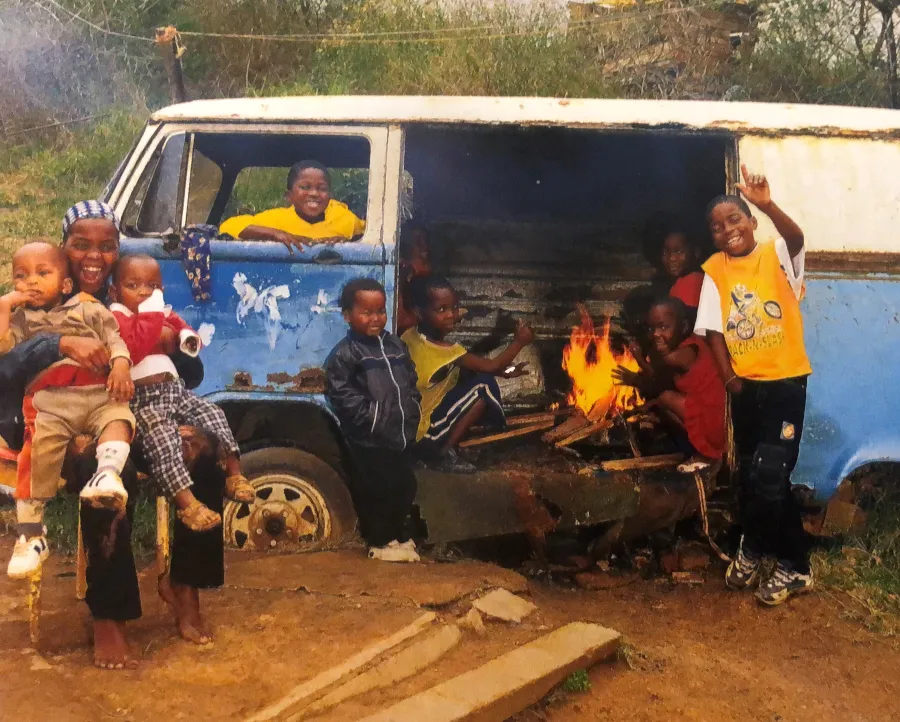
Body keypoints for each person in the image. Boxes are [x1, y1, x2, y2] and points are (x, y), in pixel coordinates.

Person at [0, 201, 225, 668]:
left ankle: (185, 587)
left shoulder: (134, 287)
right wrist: (59, 344)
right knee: (99, 471)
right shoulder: (37, 291)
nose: (94, 257)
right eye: (81, 244)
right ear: (64, 250)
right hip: (59, 427)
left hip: (137, 414)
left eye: (107, 246)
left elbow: (193, 369)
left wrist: (172, 348)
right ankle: (109, 615)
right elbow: (5, 368)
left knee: (201, 451)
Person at [695, 164, 813, 606]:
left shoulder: (777, 254)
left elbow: (797, 238)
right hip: (747, 389)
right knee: (748, 473)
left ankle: (795, 565)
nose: (727, 229)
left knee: (771, 475)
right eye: (717, 225)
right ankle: (754, 544)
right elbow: (712, 331)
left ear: (751, 222)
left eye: (735, 219)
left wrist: (768, 203)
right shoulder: (715, 271)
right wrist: (729, 379)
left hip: (785, 384)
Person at [1, 242, 135, 579]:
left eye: (43, 273)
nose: (31, 281)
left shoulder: (87, 309)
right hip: (51, 401)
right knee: (38, 451)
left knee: (118, 418)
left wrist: (120, 366)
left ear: (65, 284)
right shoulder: (21, 320)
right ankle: (31, 536)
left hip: (98, 391)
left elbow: (114, 339)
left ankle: (107, 474)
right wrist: (5, 304)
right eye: (21, 276)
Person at [109, 254, 256, 532]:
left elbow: (181, 329)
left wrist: (187, 337)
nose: (144, 292)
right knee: (162, 437)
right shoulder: (117, 316)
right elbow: (135, 344)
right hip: (143, 398)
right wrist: (154, 317)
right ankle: (186, 503)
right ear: (114, 291)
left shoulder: (161, 311)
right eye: (133, 285)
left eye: (152, 286)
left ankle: (234, 473)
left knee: (212, 412)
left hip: (175, 389)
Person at [324, 278, 422, 562]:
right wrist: (371, 419)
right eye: (366, 312)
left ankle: (395, 535)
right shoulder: (345, 353)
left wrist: (413, 406)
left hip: (399, 433)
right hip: (369, 438)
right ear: (347, 315)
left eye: (380, 311)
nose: (375, 318)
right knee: (377, 489)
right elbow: (341, 394)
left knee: (403, 485)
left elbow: (410, 380)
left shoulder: (395, 345)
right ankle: (378, 542)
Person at [402, 275, 533, 473]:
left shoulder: (410, 334)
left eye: (454, 308)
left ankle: (434, 450)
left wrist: (506, 372)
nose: (451, 315)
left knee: (472, 376)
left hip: (408, 432)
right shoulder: (448, 352)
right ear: (419, 312)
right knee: (484, 385)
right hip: (425, 434)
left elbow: (483, 366)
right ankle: (445, 453)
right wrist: (519, 342)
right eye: (441, 310)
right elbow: (490, 366)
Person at [614, 296, 726, 473]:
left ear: (684, 327)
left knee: (665, 397)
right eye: (652, 329)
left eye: (664, 327)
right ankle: (696, 449)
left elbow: (656, 377)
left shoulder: (684, 353)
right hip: (707, 411)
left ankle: (707, 455)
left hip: (713, 418)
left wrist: (637, 357)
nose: (656, 334)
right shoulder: (687, 345)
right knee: (662, 405)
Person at [219, 160, 366, 253]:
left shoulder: (344, 218)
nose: (314, 193)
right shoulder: (277, 218)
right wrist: (276, 234)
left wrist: (347, 242)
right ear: (289, 196)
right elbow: (228, 226)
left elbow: (371, 233)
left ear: (329, 195)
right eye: (305, 187)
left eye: (322, 188)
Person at [641, 212, 705, 313]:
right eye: (665, 252)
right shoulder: (670, 283)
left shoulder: (693, 282)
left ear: (695, 252)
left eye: (678, 251)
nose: (671, 258)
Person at [396, 223, 432, 336]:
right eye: (417, 242)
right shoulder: (402, 272)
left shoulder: (422, 276)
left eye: (425, 241)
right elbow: (401, 321)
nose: (425, 248)